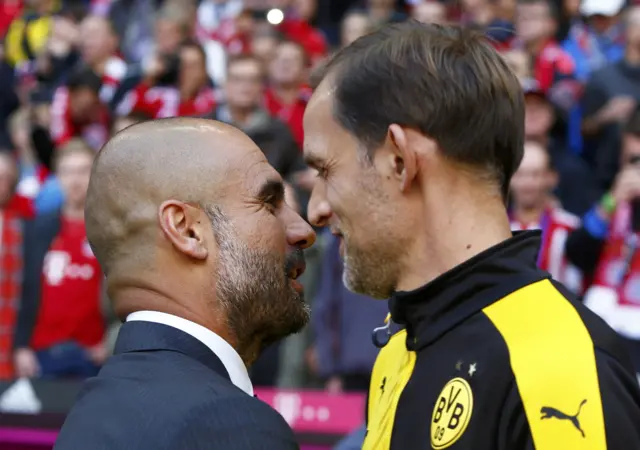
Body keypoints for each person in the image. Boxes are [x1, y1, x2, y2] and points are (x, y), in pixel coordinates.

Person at [303, 20, 640, 450]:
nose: (315, 208)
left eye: (325, 170)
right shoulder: (400, 343)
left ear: (400, 160)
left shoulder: (557, 363)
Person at [54, 118, 314, 450]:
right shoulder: (227, 423)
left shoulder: (92, 411)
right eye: (269, 203)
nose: (303, 230)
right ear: (187, 230)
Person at [14, 139, 107, 380]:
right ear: (58, 177)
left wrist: (111, 343)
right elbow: (24, 289)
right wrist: (20, 346)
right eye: (67, 172)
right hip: (42, 354)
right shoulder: (38, 228)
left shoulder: (110, 231)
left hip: (95, 354)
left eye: (83, 171)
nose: (75, 180)